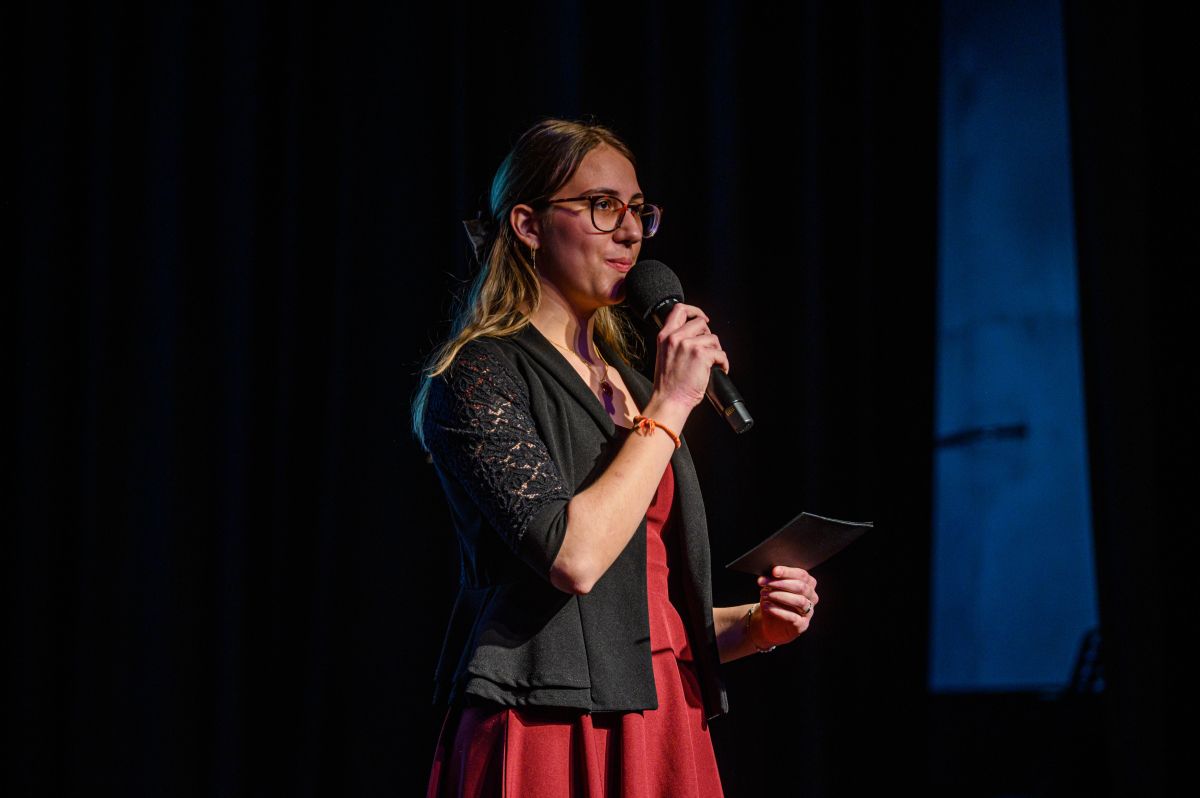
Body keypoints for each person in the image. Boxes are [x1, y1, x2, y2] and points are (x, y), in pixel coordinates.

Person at [413, 118, 820, 797]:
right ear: (528, 224)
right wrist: (672, 404)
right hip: (546, 718)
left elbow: (645, 617)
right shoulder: (480, 373)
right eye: (603, 206)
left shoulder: (634, 387)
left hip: (661, 714)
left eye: (637, 210)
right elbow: (574, 559)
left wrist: (755, 626)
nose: (630, 232)